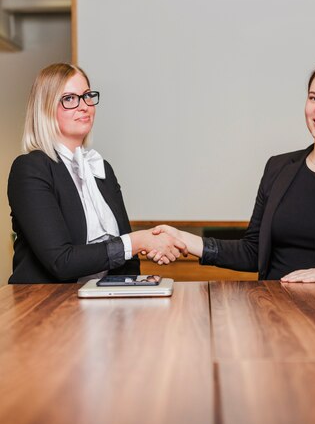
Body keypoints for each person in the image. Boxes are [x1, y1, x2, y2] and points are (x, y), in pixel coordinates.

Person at [151, 60, 315, 282]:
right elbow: (253, 251)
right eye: (314, 97)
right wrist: (184, 240)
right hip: (273, 311)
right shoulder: (278, 168)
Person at [8, 63, 186, 284]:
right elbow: (61, 262)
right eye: (69, 99)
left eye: (87, 96)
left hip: (98, 305)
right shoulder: (30, 168)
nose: (84, 106)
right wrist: (139, 241)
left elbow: (127, 261)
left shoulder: (102, 169)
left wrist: (133, 289)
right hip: (43, 307)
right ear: (44, 108)